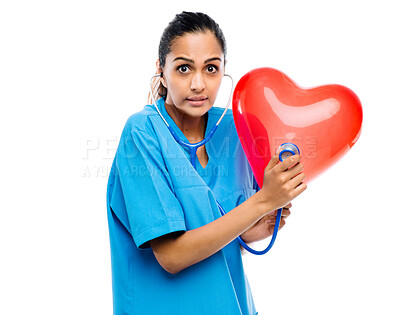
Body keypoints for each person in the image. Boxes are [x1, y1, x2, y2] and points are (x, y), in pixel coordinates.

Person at [106, 11, 307, 315]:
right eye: (184, 68)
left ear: (224, 71)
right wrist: (264, 199)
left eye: (211, 68)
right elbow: (171, 257)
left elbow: (234, 232)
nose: (198, 84)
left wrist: (266, 217)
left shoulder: (234, 129)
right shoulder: (142, 132)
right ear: (161, 71)